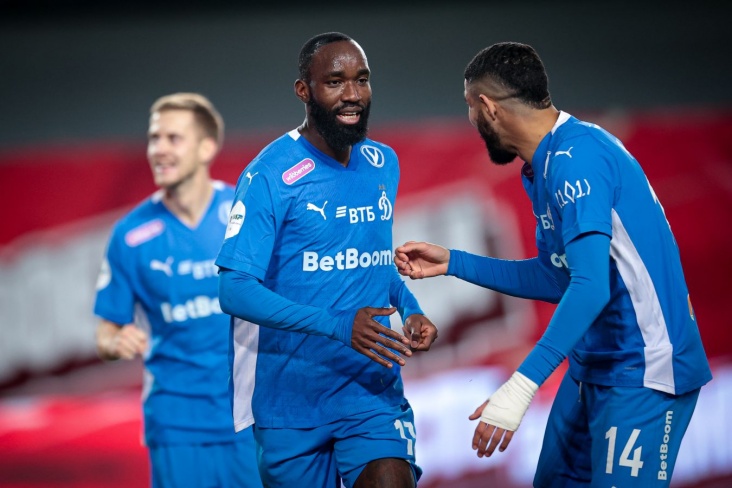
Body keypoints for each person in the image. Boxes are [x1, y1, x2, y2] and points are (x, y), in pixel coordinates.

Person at [394, 42, 712, 487]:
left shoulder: (575, 162)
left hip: (644, 373)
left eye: (469, 107)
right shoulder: (546, 163)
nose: (470, 119)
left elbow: (591, 287)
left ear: (488, 107)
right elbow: (558, 277)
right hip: (594, 366)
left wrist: (521, 386)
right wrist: (454, 262)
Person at [215, 32, 438, 488]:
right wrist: (337, 325)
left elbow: (372, 262)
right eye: (335, 82)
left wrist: (411, 309)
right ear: (304, 90)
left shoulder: (383, 162)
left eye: (362, 79)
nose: (352, 94)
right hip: (291, 402)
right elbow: (233, 290)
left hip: (370, 392)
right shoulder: (269, 174)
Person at [93, 93, 262, 488]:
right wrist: (115, 341)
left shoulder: (248, 212)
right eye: (154, 138)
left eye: (173, 138)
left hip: (252, 416)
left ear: (206, 148)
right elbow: (106, 330)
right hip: (176, 423)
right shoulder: (130, 235)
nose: (159, 150)